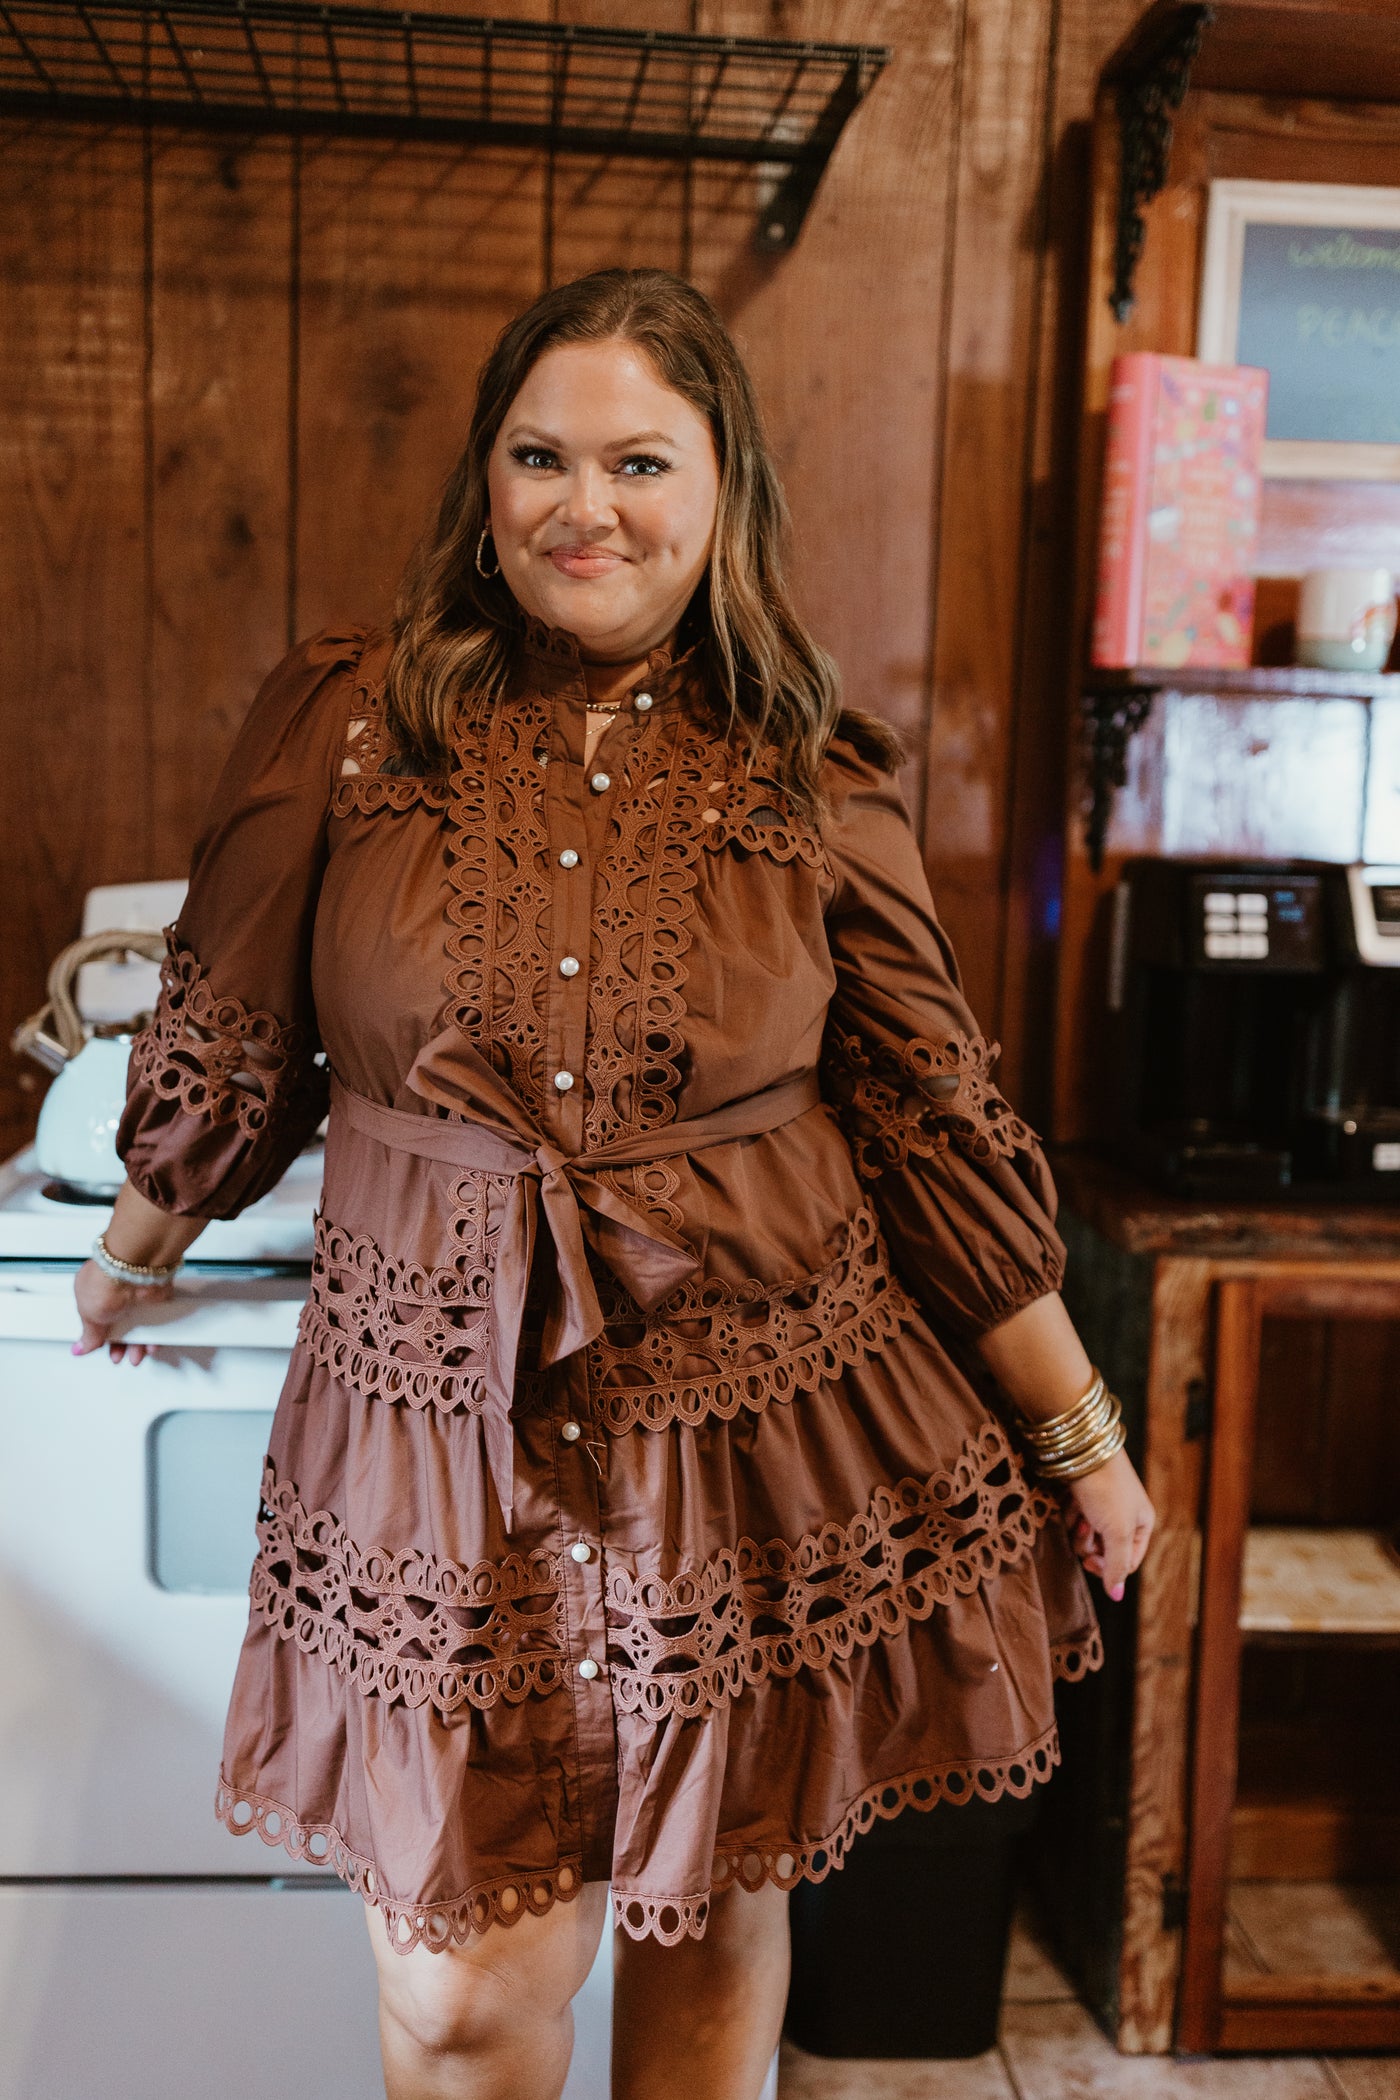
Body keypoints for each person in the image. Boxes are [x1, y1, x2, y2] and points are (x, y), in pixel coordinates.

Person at [73, 267, 1154, 2100]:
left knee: (708, 1925)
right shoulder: (351, 719)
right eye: (541, 458)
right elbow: (235, 1017)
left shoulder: (809, 766)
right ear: (484, 488)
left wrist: (1083, 1438)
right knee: (462, 2001)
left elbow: (930, 1128)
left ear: (723, 488)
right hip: (435, 1426)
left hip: (736, 1438)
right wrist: (132, 1243)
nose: (589, 507)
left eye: (642, 461)